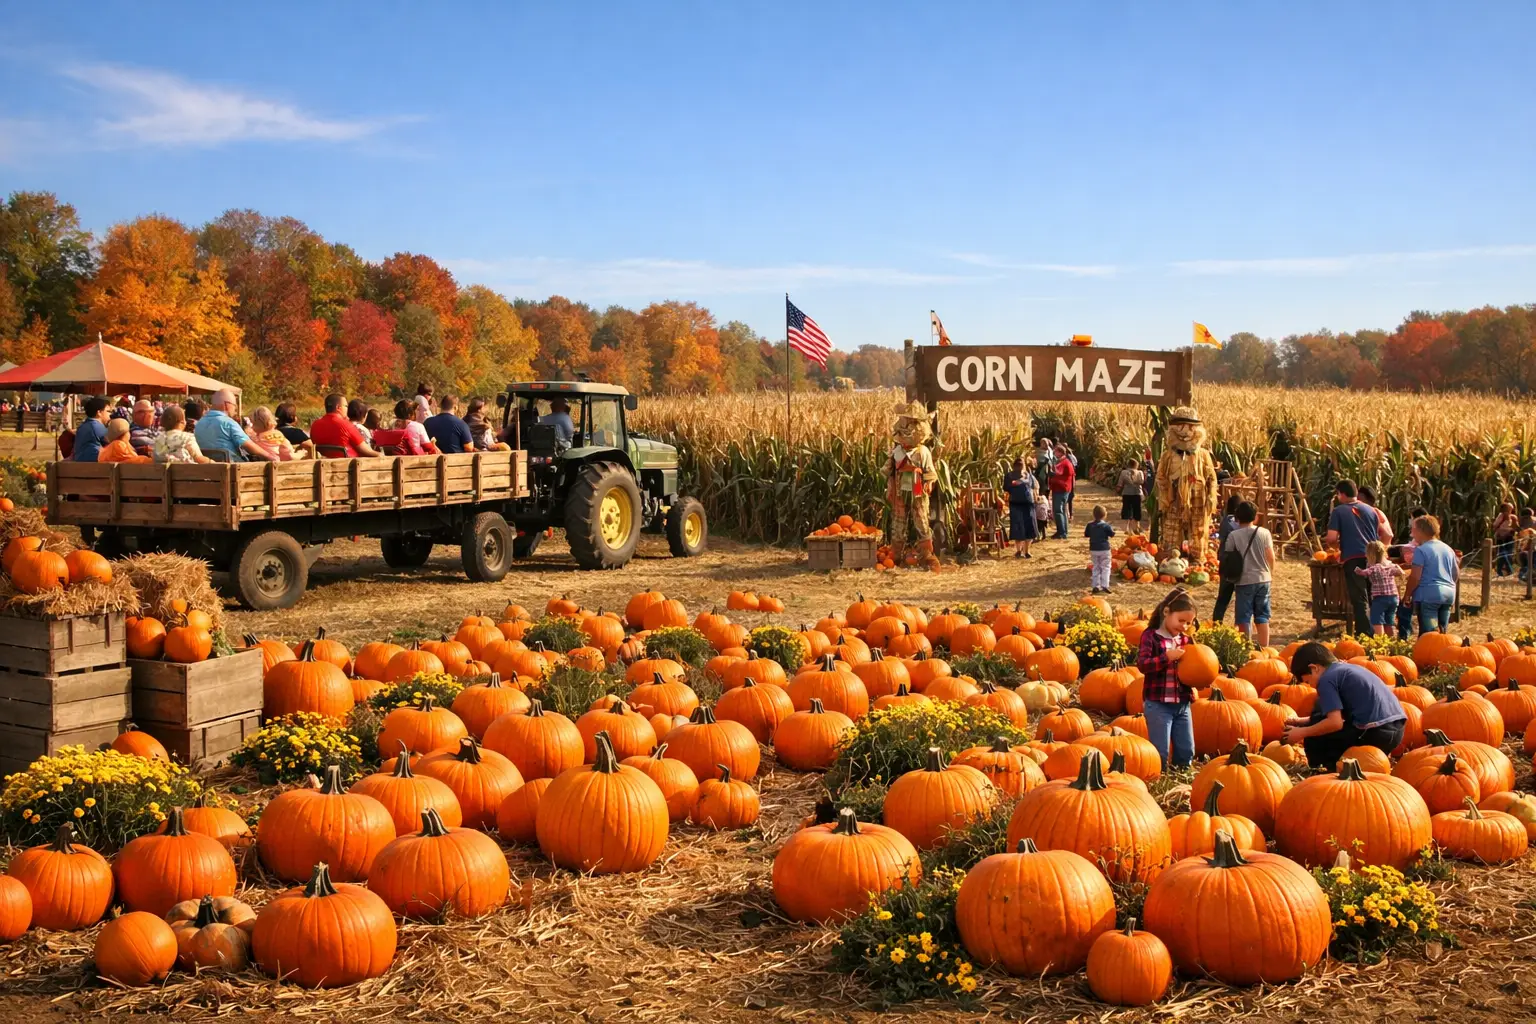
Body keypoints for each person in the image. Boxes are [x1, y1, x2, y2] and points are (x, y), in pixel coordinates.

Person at [1283, 643, 1406, 771]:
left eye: (1308, 682)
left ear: (1314, 668)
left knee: (1315, 737)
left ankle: (1324, 770)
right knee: (1319, 717)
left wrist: (1301, 733)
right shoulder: (1345, 669)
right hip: (1396, 728)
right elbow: (1337, 714)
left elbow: (1335, 723)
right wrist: (1302, 721)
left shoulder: (1326, 680)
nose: (1311, 687)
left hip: (1376, 732)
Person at [1137, 588, 1197, 770]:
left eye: (1189, 623)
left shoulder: (1186, 641)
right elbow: (1143, 664)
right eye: (1181, 621)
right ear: (1166, 612)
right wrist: (1166, 657)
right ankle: (1158, 775)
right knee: (1160, 751)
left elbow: (1193, 669)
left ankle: (1183, 774)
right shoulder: (1151, 637)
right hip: (1158, 704)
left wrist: (1200, 679)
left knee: (1187, 748)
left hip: (1182, 704)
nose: (1184, 626)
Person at [1325, 479, 1379, 634]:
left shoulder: (1339, 511)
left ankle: (1364, 634)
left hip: (1353, 557)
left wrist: (1335, 547)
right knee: (1372, 595)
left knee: (1359, 598)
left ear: (1341, 494)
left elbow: (1331, 538)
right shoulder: (1371, 510)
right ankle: (1377, 632)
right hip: (1373, 557)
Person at [1224, 500, 1275, 647]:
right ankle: (1264, 648)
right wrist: (1271, 573)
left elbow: (1228, 557)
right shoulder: (1265, 533)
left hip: (1244, 580)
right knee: (1263, 616)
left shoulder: (1234, 535)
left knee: (1244, 617)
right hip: (1263, 579)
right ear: (1255, 517)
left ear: (1237, 518)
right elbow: (1270, 556)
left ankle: (1245, 648)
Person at [1405, 515, 1458, 635]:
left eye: (1413, 529)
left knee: (1430, 634)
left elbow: (1415, 577)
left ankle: (1427, 654)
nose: (1412, 532)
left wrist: (1407, 595)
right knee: (1442, 632)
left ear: (1420, 531)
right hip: (1448, 594)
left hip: (1429, 596)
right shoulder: (1448, 549)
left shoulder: (1421, 550)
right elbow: (1455, 573)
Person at [195, 389, 276, 462]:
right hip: (232, 469)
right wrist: (270, 456)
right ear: (227, 405)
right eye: (234, 405)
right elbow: (248, 445)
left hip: (207, 468)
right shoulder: (228, 423)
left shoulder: (198, 424)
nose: (235, 409)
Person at [1355, 540, 1404, 636]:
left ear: (1370, 555)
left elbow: (1365, 572)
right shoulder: (1390, 565)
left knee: (1377, 620)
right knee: (1389, 621)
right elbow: (1400, 572)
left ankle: (1380, 642)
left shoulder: (1374, 567)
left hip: (1380, 598)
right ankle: (1391, 642)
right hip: (1393, 598)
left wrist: (1358, 570)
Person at [1394, 506, 1428, 640]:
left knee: (1404, 606)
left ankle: (1404, 634)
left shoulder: (1421, 543)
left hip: (1422, 584)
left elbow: (1413, 565)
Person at [310, 394, 380, 458]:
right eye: (346, 406)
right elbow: (367, 451)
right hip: (350, 466)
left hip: (324, 465)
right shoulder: (346, 425)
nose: (347, 409)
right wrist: (380, 455)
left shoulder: (315, 425)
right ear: (338, 407)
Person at [1210, 494, 1243, 622]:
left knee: (1223, 597)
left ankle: (1217, 621)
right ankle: (1219, 622)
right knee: (1229, 596)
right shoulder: (1232, 521)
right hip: (1233, 563)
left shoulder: (1226, 520)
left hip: (1226, 562)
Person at [1002, 457, 1037, 558]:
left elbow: (1005, 487)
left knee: (1019, 527)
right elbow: (1032, 486)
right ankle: (1025, 551)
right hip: (1026, 503)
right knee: (1027, 528)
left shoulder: (1010, 475)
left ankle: (1021, 551)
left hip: (1018, 503)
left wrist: (1014, 485)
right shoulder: (1027, 475)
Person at [1085, 505, 1116, 593]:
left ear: (1093, 515)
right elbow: (1112, 534)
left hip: (1094, 549)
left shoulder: (1089, 525)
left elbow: (1087, 534)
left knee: (1096, 567)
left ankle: (1095, 585)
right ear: (1105, 515)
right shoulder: (1106, 526)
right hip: (1104, 549)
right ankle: (1105, 585)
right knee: (1106, 567)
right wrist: (1113, 531)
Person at [72, 396, 111, 462]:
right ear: (99, 413)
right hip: (93, 464)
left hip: (79, 463)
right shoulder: (97, 426)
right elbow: (113, 442)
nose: (110, 414)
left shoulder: (83, 426)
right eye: (108, 411)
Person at [1048, 450, 1075, 539]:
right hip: (1064, 489)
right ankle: (1063, 531)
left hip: (1060, 489)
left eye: (1055, 452)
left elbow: (1057, 473)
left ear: (1060, 452)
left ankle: (1061, 532)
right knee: (1062, 511)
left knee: (1058, 511)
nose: (1054, 454)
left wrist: (1050, 473)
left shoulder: (1063, 463)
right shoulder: (1066, 462)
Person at [1118, 459, 1146, 533]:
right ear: (1136, 465)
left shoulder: (1123, 472)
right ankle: (1136, 527)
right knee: (1137, 510)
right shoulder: (1140, 472)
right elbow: (1142, 481)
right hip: (1137, 493)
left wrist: (1118, 489)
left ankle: (1126, 528)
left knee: (1126, 509)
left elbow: (1120, 483)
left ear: (1128, 464)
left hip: (1127, 493)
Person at [1493, 502, 1518, 577]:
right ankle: (1507, 571)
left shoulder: (1513, 517)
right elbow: (1495, 526)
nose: (1510, 510)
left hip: (1509, 537)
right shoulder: (1500, 516)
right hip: (1502, 538)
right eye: (1509, 508)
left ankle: (1501, 571)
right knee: (1502, 554)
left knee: (1507, 554)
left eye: (1511, 509)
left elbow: (1515, 527)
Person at [1060, 444, 1078, 522]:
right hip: (1068, 483)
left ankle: (1068, 515)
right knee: (1068, 500)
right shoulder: (1070, 457)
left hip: (1067, 483)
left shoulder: (1068, 459)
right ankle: (1069, 515)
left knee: (1067, 500)